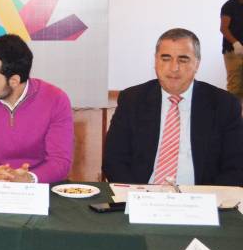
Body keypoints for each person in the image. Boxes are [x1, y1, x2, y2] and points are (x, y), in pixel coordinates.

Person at [103, 28, 243, 186]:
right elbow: (113, 160)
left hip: (201, 194)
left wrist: (207, 197)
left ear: (197, 64)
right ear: (156, 61)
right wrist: (138, 194)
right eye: (166, 58)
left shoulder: (224, 105)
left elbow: (236, 166)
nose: (174, 67)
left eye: (183, 60)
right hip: (142, 193)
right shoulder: (132, 100)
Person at [0, 34, 73, 183]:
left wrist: (28, 178)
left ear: (14, 81)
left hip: (36, 186)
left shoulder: (56, 99)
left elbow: (60, 162)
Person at [220, 0, 243, 100]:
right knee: (235, 85)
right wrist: (236, 43)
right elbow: (223, 28)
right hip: (233, 51)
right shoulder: (230, 5)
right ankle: (234, 109)